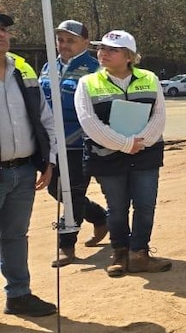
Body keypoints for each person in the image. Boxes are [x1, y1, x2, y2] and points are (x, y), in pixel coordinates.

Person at [75, 30, 171, 277]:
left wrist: (142, 142)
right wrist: (125, 144)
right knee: (116, 208)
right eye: (102, 49)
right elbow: (89, 123)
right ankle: (119, 252)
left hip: (145, 154)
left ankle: (139, 254)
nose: (103, 53)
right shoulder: (88, 83)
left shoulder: (149, 79)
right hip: (108, 156)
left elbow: (159, 116)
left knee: (145, 205)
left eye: (111, 50)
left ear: (129, 56)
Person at [0, 13, 59, 317]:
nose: (0, 34)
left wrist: (48, 161)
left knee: (15, 236)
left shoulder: (22, 71)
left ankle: (19, 295)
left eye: (3, 29)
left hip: (23, 171)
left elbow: (44, 118)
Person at [40, 20, 109, 267]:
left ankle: (66, 246)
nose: (64, 45)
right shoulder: (49, 66)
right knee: (54, 189)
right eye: (60, 40)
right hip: (51, 145)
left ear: (85, 43)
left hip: (79, 145)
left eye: (70, 40)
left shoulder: (95, 70)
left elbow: (99, 110)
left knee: (72, 193)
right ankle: (100, 217)